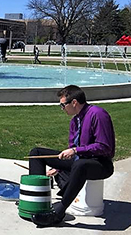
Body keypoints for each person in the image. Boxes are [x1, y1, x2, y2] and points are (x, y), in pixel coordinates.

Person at [29, 85, 115, 227]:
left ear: (74, 102)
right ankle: (38, 201)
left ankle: (57, 214)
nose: (62, 108)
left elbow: (105, 147)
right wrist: (60, 167)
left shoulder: (98, 114)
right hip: (79, 160)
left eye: (63, 105)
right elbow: (72, 150)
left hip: (101, 164)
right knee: (36, 153)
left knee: (80, 165)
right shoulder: (75, 121)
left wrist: (76, 151)